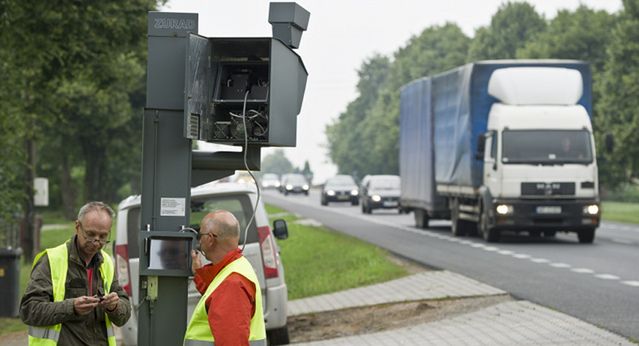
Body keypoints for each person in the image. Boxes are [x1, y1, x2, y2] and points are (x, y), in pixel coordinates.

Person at [20, 201, 131, 345]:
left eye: (103, 236)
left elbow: (123, 315)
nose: (96, 242)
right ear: (77, 227)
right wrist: (71, 307)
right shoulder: (51, 260)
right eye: (90, 234)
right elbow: (29, 310)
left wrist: (114, 307)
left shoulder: (107, 263)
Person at [184, 210, 266, 346]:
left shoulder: (231, 285)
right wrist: (199, 272)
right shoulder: (237, 266)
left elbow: (231, 341)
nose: (199, 240)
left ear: (210, 239)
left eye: (201, 235)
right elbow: (216, 297)